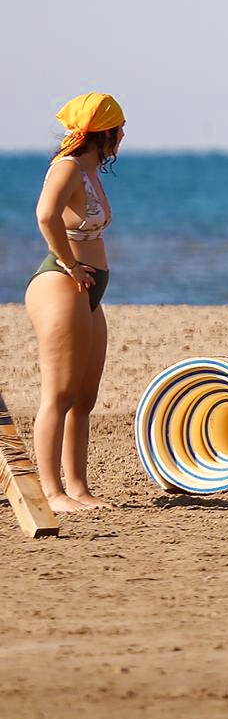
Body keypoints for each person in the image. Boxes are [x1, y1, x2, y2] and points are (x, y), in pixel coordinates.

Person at [24, 93, 126, 513]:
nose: (122, 138)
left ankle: (78, 488)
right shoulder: (66, 168)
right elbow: (45, 215)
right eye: (119, 130)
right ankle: (52, 492)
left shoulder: (89, 170)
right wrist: (69, 264)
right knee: (59, 393)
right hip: (61, 283)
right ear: (105, 134)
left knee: (84, 397)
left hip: (87, 287)